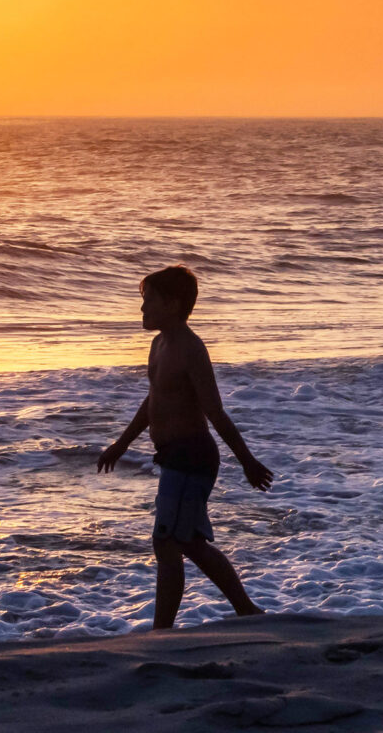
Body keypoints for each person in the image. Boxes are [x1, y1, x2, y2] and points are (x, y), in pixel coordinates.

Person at [97, 265, 274, 628]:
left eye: (150, 302)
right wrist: (121, 443)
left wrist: (247, 461)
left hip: (193, 456)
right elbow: (153, 402)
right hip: (173, 457)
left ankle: (164, 630)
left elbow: (215, 411)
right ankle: (245, 610)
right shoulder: (159, 344)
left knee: (168, 542)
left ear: (174, 305)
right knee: (187, 542)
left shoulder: (191, 349)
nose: (142, 310)